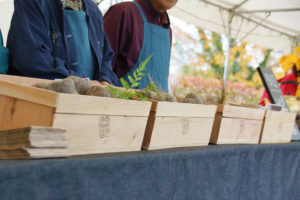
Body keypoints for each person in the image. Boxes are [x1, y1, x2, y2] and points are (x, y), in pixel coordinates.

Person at [7, 0, 119, 85]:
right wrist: (83, 83)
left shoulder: (94, 11)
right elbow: (34, 60)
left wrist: (105, 80)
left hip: (85, 102)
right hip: (42, 102)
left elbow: (106, 56)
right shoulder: (34, 3)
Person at [104, 0, 178, 92]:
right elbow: (101, 68)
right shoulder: (124, 12)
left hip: (156, 105)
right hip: (117, 103)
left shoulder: (167, 30)